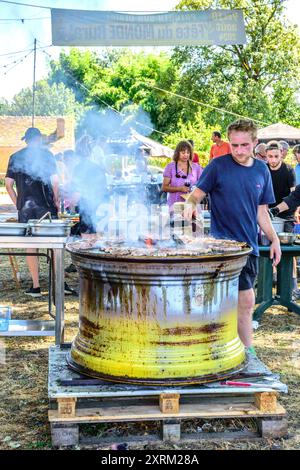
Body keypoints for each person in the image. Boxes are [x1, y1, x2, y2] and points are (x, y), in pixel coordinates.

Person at [185, 119, 281, 355]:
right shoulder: (217, 166)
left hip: (248, 247)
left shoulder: (262, 170)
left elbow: (261, 212)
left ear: (255, 143)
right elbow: (195, 195)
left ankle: (246, 353)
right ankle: (218, 349)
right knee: (220, 304)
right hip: (220, 249)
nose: (238, 150)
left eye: (244, 145)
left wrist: (274, 238)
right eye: (234, 145)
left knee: (246, 303)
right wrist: (190, 205)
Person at [5, 127, 60, 297]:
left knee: (31, 246)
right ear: (39, 139)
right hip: (46, 207)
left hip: (26, 209)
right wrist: (56, 200)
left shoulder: (15, 157)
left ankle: (36, 286)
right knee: (54, 245)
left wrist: (18, 204)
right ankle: (58, 285)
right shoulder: (47, 156)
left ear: (26, 140)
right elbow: (55, 181)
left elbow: (8, 184)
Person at [71, 135, 107, 235]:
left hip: (85, 210)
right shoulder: (98, 168)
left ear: (77, 153)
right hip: (99, 210)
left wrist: (71, 210)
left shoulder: (79, 169)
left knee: (85, 244)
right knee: (95, 241)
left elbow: (76, 194)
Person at [162, 140, 202, 213]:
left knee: (192, 224)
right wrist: (180, 188)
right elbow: (164, 188)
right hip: (174, 207)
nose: (186, 155)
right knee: (176, 224)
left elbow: (202, 186)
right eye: (183, 153)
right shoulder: (170, 167)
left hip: (192, 208)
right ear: (177, 153)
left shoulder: (196, 168)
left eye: (188, 153)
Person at [266, 140, 296, 225]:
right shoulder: (263, 169)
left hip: (286, 216)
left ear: (281, 153)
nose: (273, 160)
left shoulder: (289, 170)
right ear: (266, 155)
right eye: (270, 156)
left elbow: (294, 194)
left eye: (276, 156)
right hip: (266, 215)